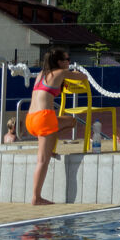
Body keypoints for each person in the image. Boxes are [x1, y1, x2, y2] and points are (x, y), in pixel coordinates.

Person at [29, 48, 85, 205]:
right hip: (43, 118)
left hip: (31, 119)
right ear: (59, 62)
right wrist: (73, 71)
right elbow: (83, 77)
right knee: (42, 160)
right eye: (67, 59)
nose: (69, 62)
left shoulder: (41, 74)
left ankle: (50, 148)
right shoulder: (60, 73)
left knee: (71, 122)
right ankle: (36, 197)